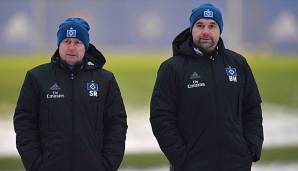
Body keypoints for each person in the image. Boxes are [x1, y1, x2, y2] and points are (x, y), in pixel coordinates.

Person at [150, 3, 263, 171]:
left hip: (236, 164)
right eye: (200, 25)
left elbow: (252, 109)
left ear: (220, 30)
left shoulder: (238, 64)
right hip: (191, 165)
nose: (206, 32)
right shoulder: (172, 68)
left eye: (212, 26)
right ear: (191, 29)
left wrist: (251, 149)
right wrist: (181, 158)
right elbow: (161, 118)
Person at [13, 18, 127, 171]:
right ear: (59, 44)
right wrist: (35, 165)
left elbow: (117, 124)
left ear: (85, 46)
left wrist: (107, 165)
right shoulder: (37, 78)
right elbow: (24, 123)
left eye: (77, 42)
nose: (71, 47)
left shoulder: (105, 80)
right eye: (66, 41)